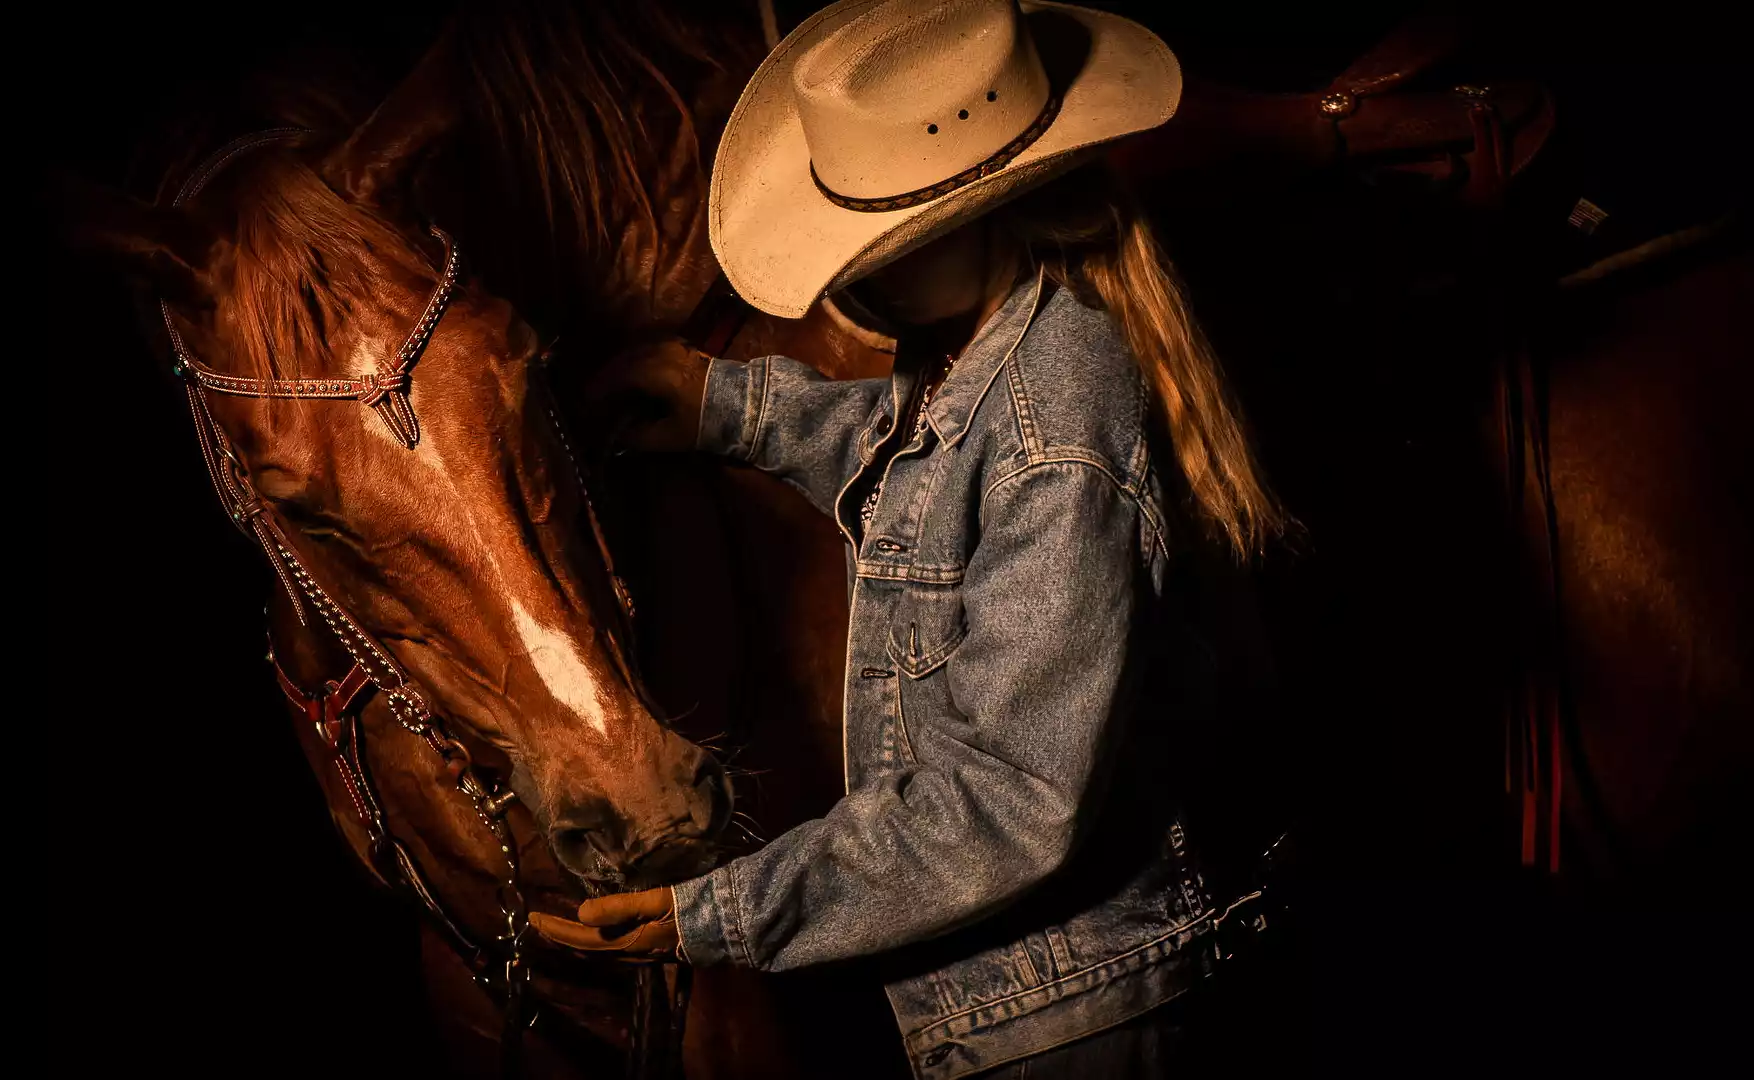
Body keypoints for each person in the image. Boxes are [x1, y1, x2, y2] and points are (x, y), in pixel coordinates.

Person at [530, 1, 1287, 1075]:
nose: (848, 277)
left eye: (880, 244)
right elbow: (938, 480)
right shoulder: (1000, 344)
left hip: (1070, 1027)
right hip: (1038, 1008)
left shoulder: (1059, 416)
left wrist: (728, 913)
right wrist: (735, 409)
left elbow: (1011, 799)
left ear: (991, 212)